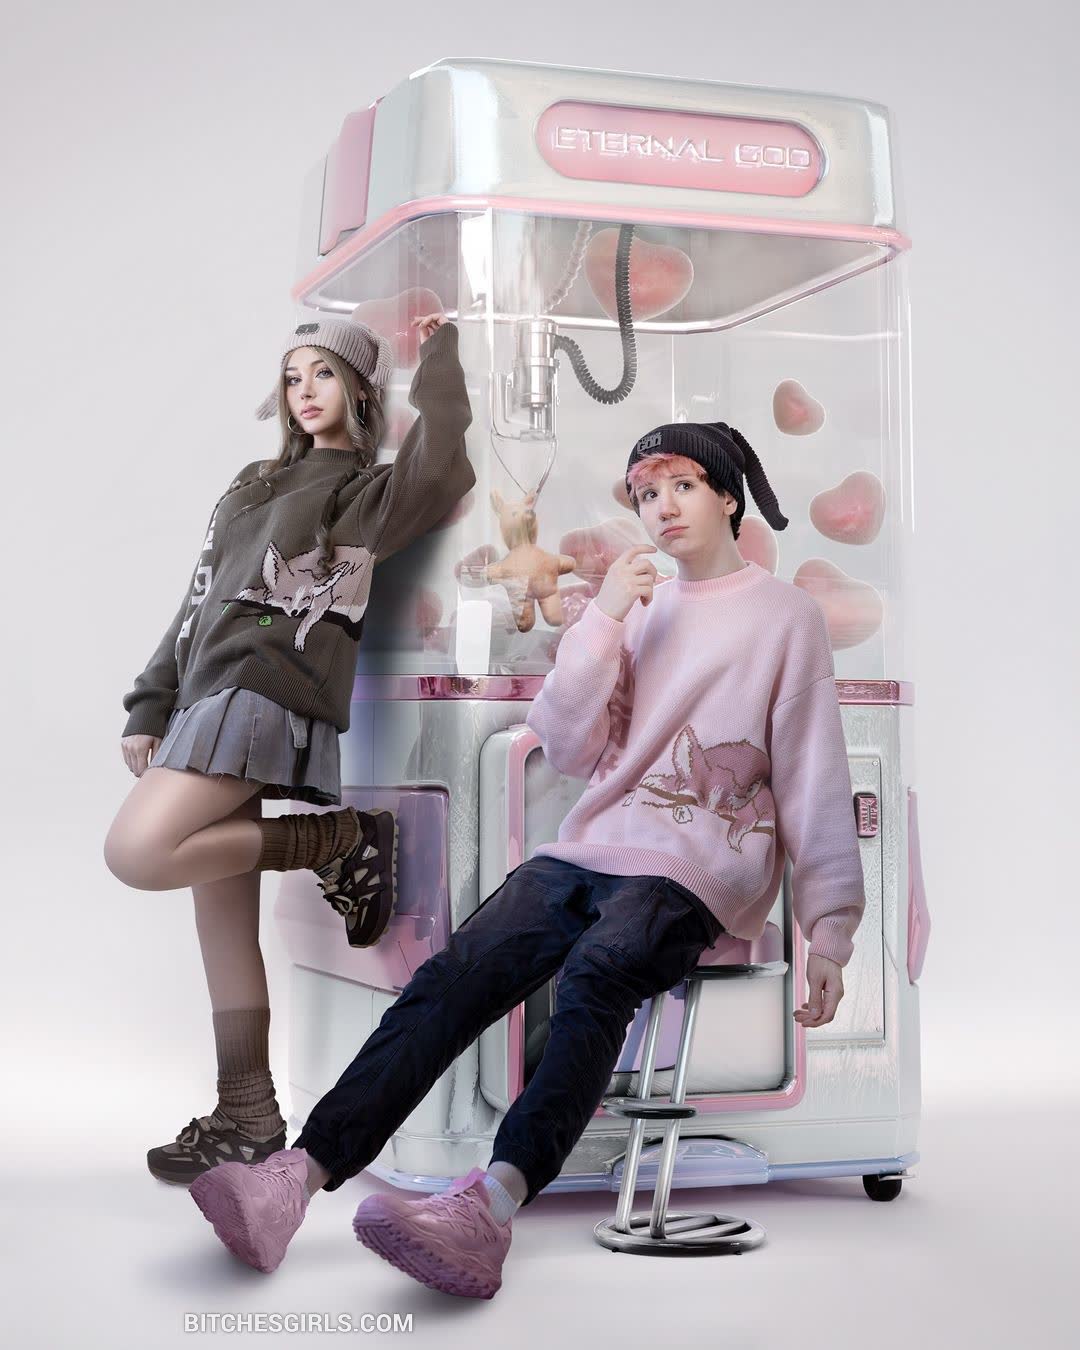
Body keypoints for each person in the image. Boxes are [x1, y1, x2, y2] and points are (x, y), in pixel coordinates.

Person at [187, 421, 866, 1300]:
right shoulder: (635, 607)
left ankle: (489, 1209)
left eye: (682, 486)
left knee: (599, 972)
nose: (662, 508)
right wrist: (605, 619)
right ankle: (293, 1180)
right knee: (457, 971)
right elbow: (568, 746)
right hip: (595, 841)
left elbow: (813, 770)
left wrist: (829, 928)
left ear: (728, 496)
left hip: (702, 862)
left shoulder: (785, 616)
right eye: (645, 495)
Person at [103, 310, 474, 1185]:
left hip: (264, 689)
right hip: (204, 695)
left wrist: (440, 355)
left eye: (325, 374)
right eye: (294, 376)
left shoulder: (360, 493)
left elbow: (441, 467)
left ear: (360, 389)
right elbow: (198, 598)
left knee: (137, 852)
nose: (305, 391)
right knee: (220, 918)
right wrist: (151, 699)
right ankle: (248, 1114)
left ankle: (339, 841)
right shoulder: (250, 485)